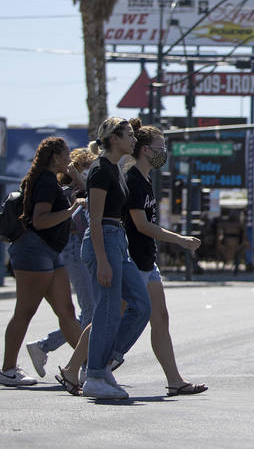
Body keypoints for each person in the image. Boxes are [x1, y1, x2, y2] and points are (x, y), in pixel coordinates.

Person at [121, 120, 208, 396]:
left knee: (160, 317)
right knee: (110, 317)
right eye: (161, 147)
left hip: (147, 261)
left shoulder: (145, 179)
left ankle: (174, 380)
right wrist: (181, 240)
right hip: (133, 261)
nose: (164, 152)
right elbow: (142, 225)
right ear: (145, 150)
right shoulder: (133, 178)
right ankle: (81, 368)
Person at [0, 137, 85, 388]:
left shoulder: (49, 181)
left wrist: (76, 181)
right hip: (34, 251)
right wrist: (70, 211)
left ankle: (92, 366)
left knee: (66, 312)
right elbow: (40, 220)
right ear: (55, 157)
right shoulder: (46, 182)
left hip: (49, 252)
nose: (69, 157)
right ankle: (8, 370)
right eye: (66, 153)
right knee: (25, 312)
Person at [80, 118, 152, 400]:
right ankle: (94, 375)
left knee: (141, 305)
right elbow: (94, 219)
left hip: (117, 241)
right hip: (104, 241)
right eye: (129, 135)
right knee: (107, 311)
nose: (134, 140)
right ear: (114, 138)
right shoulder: (100, 170)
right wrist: (102, 259)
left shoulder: (116, 169)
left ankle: (103, 364)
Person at [23, 148, 95, 380]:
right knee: (90, 311)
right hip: (74, 250)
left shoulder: (78, 190)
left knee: (86, 312)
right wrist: (80, 187)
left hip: (79, 251)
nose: (90, 176)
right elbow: (74, 220)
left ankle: (44, 347)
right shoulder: (68, 191)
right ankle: (83, 366)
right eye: (87, 171)